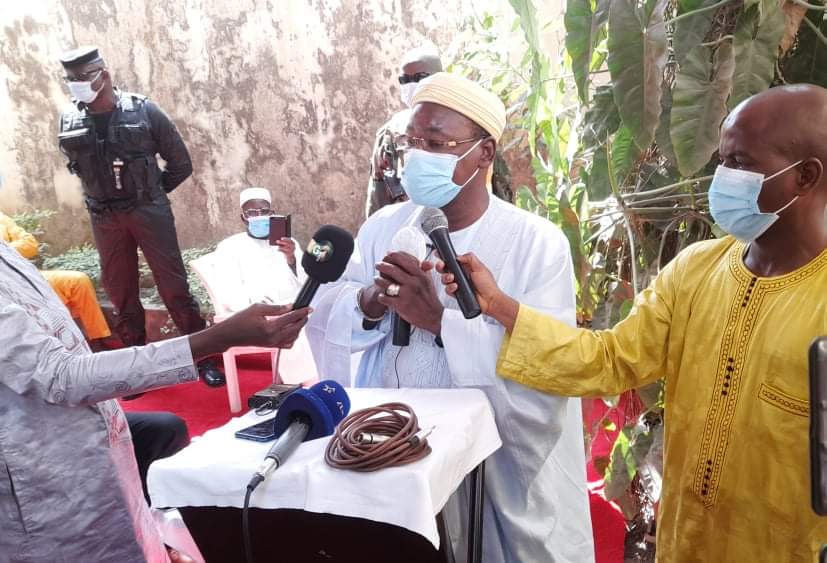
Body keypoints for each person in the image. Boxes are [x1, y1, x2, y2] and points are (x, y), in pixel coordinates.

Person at [439, 85, 827, 561]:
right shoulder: (695, 269)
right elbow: (610, 360)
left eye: (740, 163)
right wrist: (500, 306)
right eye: (722, 160)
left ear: (805, 176)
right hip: (686, 544)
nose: (722, 177)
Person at [307, 72, 594, 562]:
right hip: (388, 447)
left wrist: (440, 321)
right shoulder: (383, 226)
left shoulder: (535, 243)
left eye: (437, 144)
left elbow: (547, 362)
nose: (419, 156)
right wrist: (372, 301)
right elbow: (329, 310)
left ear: (484, 153)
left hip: (486, 464)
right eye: (413, 142)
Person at [0, 236, 311, 562]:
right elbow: (59, 376)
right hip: (38, 475)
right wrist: (215, 339)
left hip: (87, 439)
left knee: (152, 456)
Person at [56, 46, 225, 386]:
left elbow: (181, 163)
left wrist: (151, 195)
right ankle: (135, 369)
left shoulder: (145, 110)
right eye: (70, 79)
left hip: (148, 212)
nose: (76, 84)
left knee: (174, 289)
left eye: (82, 77)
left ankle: (203, 359)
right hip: (104, 217)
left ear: (103, 75)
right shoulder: (69, 118)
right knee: (121, 293)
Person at [0, 209, 112, 347]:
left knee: (78, 281)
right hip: (5, 287)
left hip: (24, 276)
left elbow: (30, 245)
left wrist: (4, 252)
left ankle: (97, 340)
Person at [366, 46, 443, 217]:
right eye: (404, 79)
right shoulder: (391, 132)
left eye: (419, 77)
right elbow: (378, 194)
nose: (411, 85)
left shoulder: (465, 127)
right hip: (406, 225)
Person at [212, 187, 306, 311]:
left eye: (264, 211)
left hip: (296, 306)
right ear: (243, 218)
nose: (259, 216)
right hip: (256, 313)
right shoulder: (229, 247)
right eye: (252, 213)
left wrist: (291, 259)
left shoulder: (288, 242)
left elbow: (306, 280)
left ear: (271, 214)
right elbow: (228, 293)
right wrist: (257, 307)